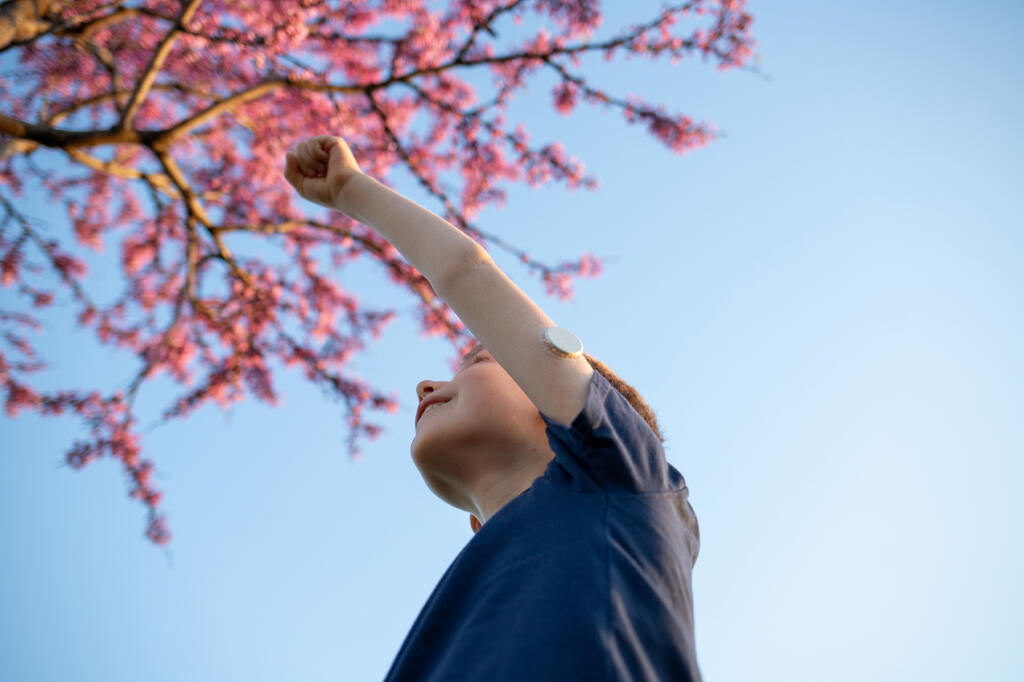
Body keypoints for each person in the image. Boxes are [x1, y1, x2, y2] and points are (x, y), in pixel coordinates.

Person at [285, 135, 702, 681]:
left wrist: (351, 190)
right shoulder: (461, 599)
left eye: (476, 358)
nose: (425, 386)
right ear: (476, 526)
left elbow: (465, 271)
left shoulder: (617, 475)